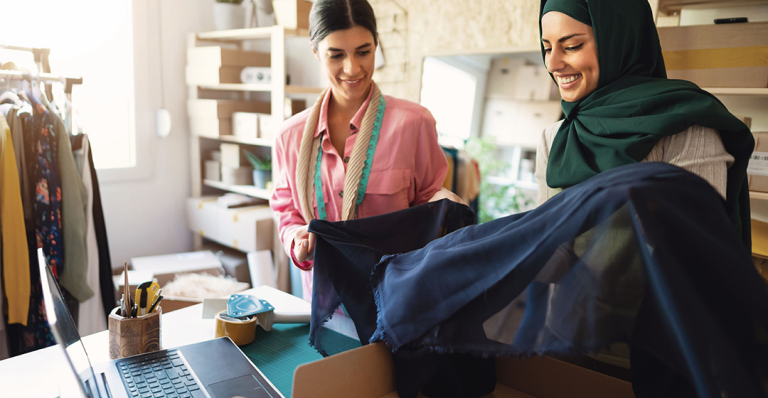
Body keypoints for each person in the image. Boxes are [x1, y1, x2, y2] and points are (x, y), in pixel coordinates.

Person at [269, 0, 461, 301]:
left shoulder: (415, 124)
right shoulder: (289, 137)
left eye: (364, 51)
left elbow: (427, 204)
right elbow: (287, 209)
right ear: (316, 51)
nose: (352, 68)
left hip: (398, 301)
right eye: (336, 55)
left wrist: (445, 203)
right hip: (326, 305)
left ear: (376, 45)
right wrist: (297, 237)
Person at [534, 0, 753, 249]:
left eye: (572, 46)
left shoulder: (686, 127)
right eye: (547, 48)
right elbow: (547, 252)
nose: (552, 65)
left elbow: (695, 254)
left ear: (619, 41)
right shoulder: (553, 139)